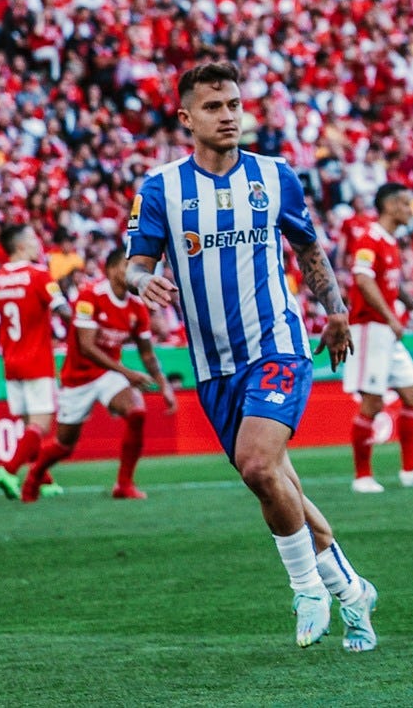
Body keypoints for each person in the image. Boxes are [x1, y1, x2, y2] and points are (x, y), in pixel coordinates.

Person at [125, 60, 381, 651]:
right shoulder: (161, 188)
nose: (229, 115)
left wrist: (336, 310)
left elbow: (309, 250)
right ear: (187, 118)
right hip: (214, 365)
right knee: (276, 485)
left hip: (277, 344)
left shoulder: (275, 176)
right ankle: (350, 591)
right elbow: (137, 262)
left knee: (260, 465)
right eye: (214, 107)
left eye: (235, 104)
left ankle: (306, 588)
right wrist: (143, 283)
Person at [19, 247, 178, 501]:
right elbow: (87, 347)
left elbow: (147, 353)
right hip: (78, 377)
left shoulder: (137, 306)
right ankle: (36, 473)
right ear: (114, 270)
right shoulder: (90, 295)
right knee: (64, 445)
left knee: (136, 411)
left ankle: (123, 485)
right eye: (130, 268)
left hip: (108, 373)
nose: (136, 275)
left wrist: (164, 386)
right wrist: (128, 372)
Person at [344, 182, 413, 494]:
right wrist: (391, 317)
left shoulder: (389, 241)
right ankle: (362, 476)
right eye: (405, 204)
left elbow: (391, 284)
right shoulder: (369, 238)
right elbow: (362, 279)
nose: (409, 210)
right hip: (370, 329)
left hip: (388, 332)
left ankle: (411, 468)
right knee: (373, 402)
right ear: (389, 206)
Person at [0, 223, 68, 501]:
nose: (37, 243)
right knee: (40, 425)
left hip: (12, 362)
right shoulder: (39, 275)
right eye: (32, 238)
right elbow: (63, 309)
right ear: (19, 246)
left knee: (31, 425)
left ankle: (43, 480)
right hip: (37, 359)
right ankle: (8, 470)